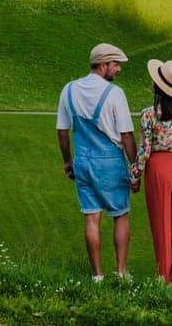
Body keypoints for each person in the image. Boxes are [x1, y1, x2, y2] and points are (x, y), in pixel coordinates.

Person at [57, 42, 139, 280]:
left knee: (91, 217)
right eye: (115, 64)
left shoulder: (69, 89)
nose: (118, 69)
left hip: (82, 160)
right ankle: (121, 272)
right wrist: (135, 166)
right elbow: (126, 135)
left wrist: (67, 161)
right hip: (110, 161)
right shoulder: (114, 94)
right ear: (103, 65)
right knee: (120, 214)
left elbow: (62, 131)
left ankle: (97, 276)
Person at [134, 58, 172, 288]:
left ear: (158, 86)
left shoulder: (149, 114)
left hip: (159, 167)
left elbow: (144, 149)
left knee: (161, 222)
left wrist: (135, 175)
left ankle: (165, 275)